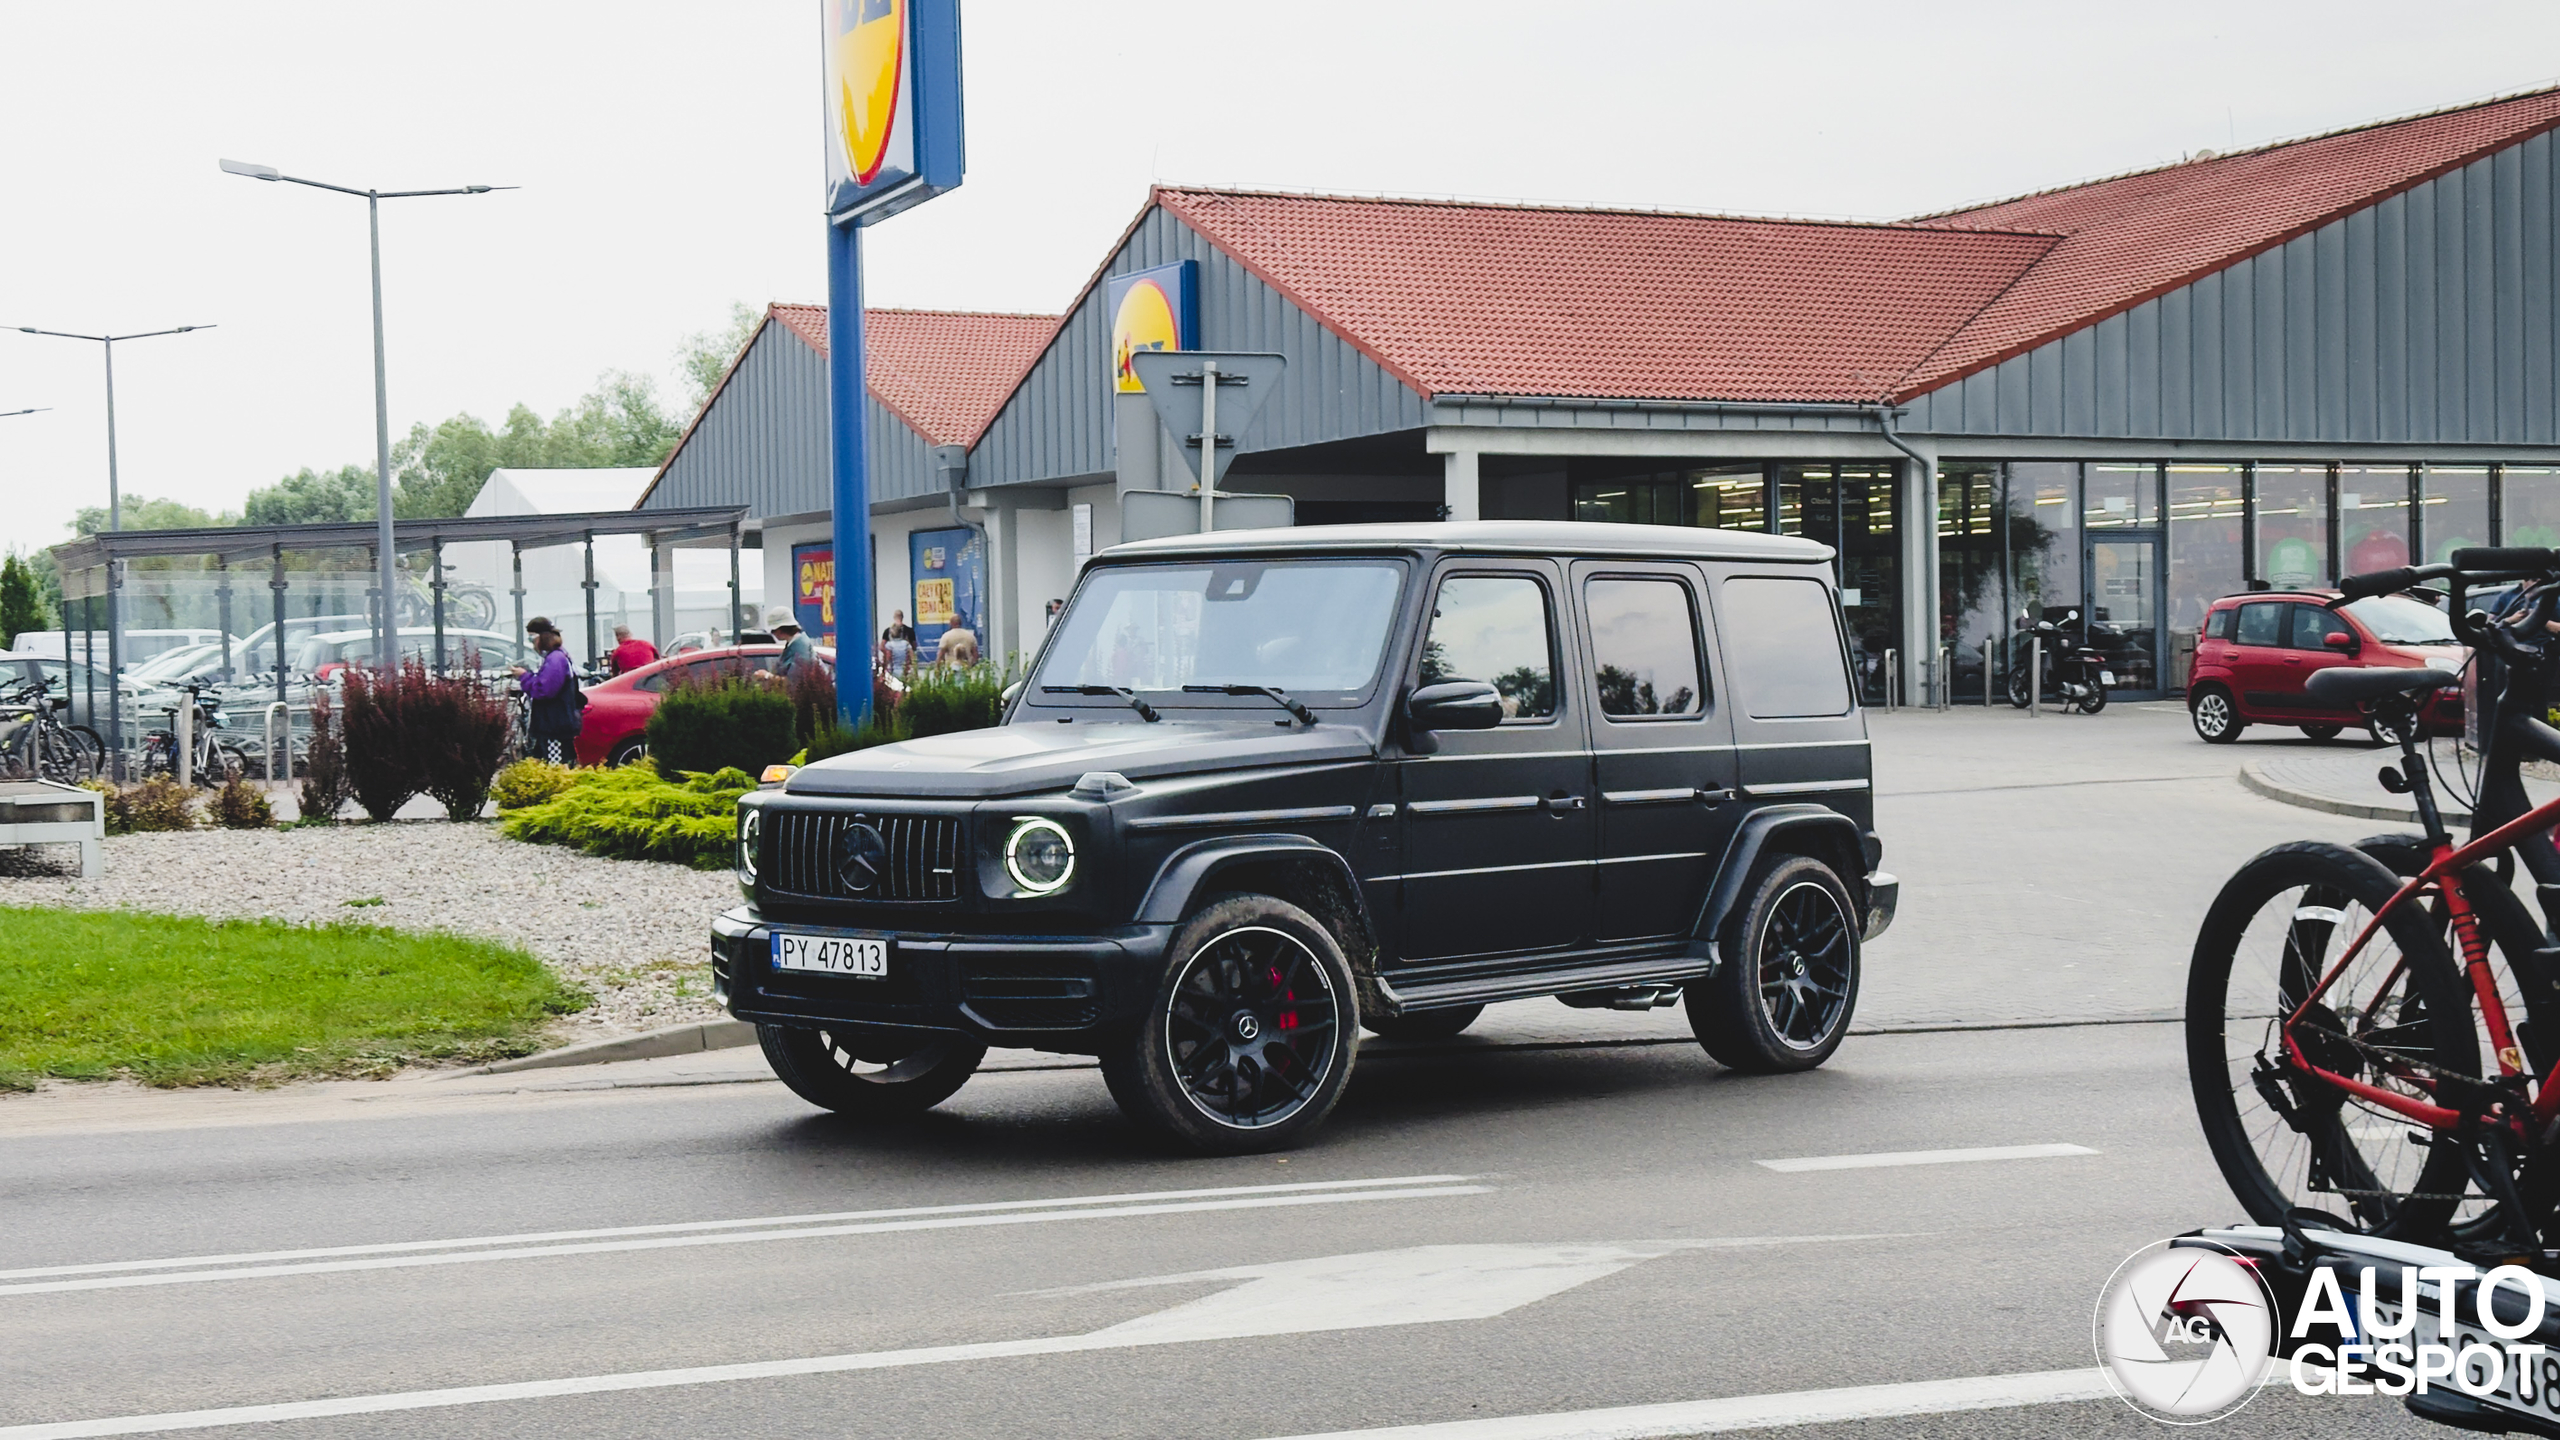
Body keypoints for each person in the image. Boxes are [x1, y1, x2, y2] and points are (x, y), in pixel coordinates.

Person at [511, 617, 581, 765]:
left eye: (531, 638)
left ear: (541, 637)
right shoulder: (560, 656)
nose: (531, 643)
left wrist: (524, 676)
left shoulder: (555, 659)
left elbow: (543, 690)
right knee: (558, 763)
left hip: (554, 725)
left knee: (555, 766)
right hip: (558, 722)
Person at [756, 618, 814, 685]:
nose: (773, 633)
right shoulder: (793, 645)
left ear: (781, 629)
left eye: (773, 630)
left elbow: (794, 683)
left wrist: (767, 676)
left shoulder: (801, 649)